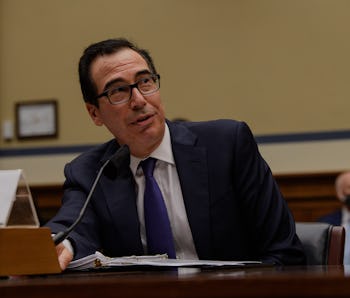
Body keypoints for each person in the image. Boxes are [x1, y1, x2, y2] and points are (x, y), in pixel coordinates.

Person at [45, 38, 306, 270]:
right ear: (94, 113)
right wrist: (59, 245)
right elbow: (72, 226)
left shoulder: (227, 146)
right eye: (118, 91)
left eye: (145, 82)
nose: (139, 100)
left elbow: (284, 253)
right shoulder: (90, 171)